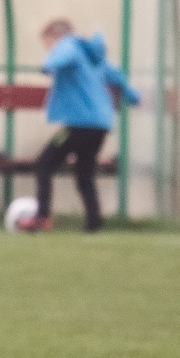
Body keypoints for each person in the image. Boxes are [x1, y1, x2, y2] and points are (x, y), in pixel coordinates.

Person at [15, 20, 139, 233]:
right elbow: (116, 75)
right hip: (100, 126)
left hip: (79, 125)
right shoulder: (94, 56)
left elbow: (64, 55)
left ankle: (42, 217)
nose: (49, 49)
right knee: (84, 174)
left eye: (48, 44)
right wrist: (131, 95)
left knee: (43, 165)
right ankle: (94, 223)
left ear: (55, 38)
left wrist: (49, 65)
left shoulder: (69, 45)